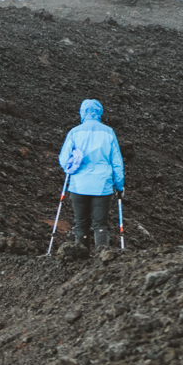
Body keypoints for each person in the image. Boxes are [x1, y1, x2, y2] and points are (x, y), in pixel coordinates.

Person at [59, 98, 125, 251]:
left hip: (78, 185)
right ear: (99, 113)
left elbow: (63, 160)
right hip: (102, 186)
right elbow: (117, 162)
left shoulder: (74, 132)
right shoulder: (108, 132)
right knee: (100, 224)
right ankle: (102, 259)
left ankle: (80, 259)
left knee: (81, 222)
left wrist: (72, 167)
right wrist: (119, 186)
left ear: (82, 112)